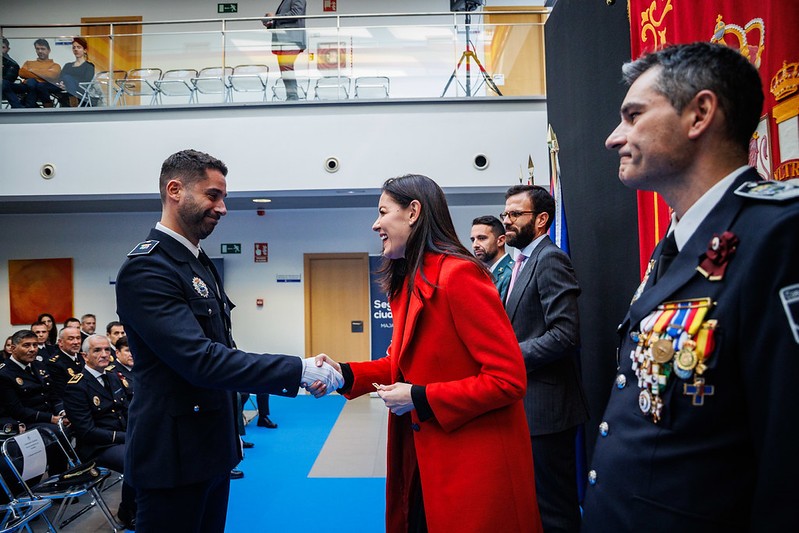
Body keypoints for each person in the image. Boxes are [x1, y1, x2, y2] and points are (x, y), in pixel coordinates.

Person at [581, 42, 799, 531]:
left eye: (633, 115)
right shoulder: (680, 243)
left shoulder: (780, 234)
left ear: (699, 113)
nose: (614, 137)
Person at [115, 148, 342, 533]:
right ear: (175, 190)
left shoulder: (197, 262)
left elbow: (224, 350)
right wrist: (298, 369)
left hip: (210, 451)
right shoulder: (148, 268)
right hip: (172, 460)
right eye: (212, 195)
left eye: (223, 197)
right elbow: (201, 361)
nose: (222, 208)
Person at [316, 174, 542, 533]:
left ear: (413, 212)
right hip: (428, 455)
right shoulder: (411, 281)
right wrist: (343, 374)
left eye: (382, 212)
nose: (375, 224)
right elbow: (402, 365)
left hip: (473, 464)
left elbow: (508, 380)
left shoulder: (459, 276)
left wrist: (420, 397)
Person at [501, 184, 588, 533]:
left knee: (554, 510)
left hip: (548, 410)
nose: (506, 221)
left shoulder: (550, 258)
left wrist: (505, 358)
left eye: (514, 215)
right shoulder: (520, 262)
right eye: (505, 213)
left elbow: (565, 335)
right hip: (525, 405)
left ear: (541, 220)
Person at [63, 334, 136, 530]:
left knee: (155, 448)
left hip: (122, 439)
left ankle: (147, 504)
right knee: (136, 459)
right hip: (97, 447)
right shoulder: (76, 386)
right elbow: (87, 431)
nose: (104, 354)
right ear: (84, 356)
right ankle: (128, 511)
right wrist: (126, 437)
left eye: (106, 350)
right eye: (97, 350)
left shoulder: (113, 377)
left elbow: (126, 412)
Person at [0, 329, 67, 429]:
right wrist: (51, 418)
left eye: (35, 345)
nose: (32, 349)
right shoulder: (4, 374)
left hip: (51, 416)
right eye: (26, 345)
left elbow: (53, 395)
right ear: (13, 348)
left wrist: (62, 412)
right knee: (57, 432)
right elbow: (17, 410)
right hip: (27, 422)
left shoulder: (39, 365)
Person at [262, 0, 306, 100]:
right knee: (284, 68)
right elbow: (283, 21)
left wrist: (275, 17)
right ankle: (291, 96)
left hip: (291, 38)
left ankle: (293, 97)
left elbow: (296, 14)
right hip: (284, 39)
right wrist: (270, 24)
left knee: (286, 66)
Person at [470, 215, 514, 301]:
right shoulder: (480, 274)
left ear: (501, 241)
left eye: (482, 238)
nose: (475, 245)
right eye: (473, 240)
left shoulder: (512, 273)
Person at [17, 38, 61, 108]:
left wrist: (32, 70)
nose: (40, 51)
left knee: (36, 83)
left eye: (43, 49)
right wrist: (43, 74)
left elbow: (52, 75)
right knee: (32, 83)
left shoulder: (55, 65)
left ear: (49, 50)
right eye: (37, 49)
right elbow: (21, 73)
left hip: (43, 89)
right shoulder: (28, 63)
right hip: (30, 90)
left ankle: (40, 108)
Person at [46, 326, 85, 400]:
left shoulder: (83, 357)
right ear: (60, 342)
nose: (76, 342)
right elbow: (62, 392)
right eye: (71, 339)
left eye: (78, 338)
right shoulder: (54, 363)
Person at [56, 37, 94, 107]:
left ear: (85, 50)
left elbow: (87, 81)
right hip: (66, 93)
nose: (76, 49)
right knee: (65, 78)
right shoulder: (68, 65)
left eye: (78, 47)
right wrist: (62, 84)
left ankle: (74, 103)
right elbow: (60, 79)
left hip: (81, 92)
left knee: (67, 77)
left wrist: (68, 82)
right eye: (74, 47)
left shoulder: (89, 66)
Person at [2, 37, 23, 109]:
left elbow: (9, 79)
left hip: (6, 85)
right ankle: (18, 107)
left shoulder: (13, 64)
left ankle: (18, 107)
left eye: (3, 47)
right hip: (6, 89)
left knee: (4, 83)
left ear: (8, 49)